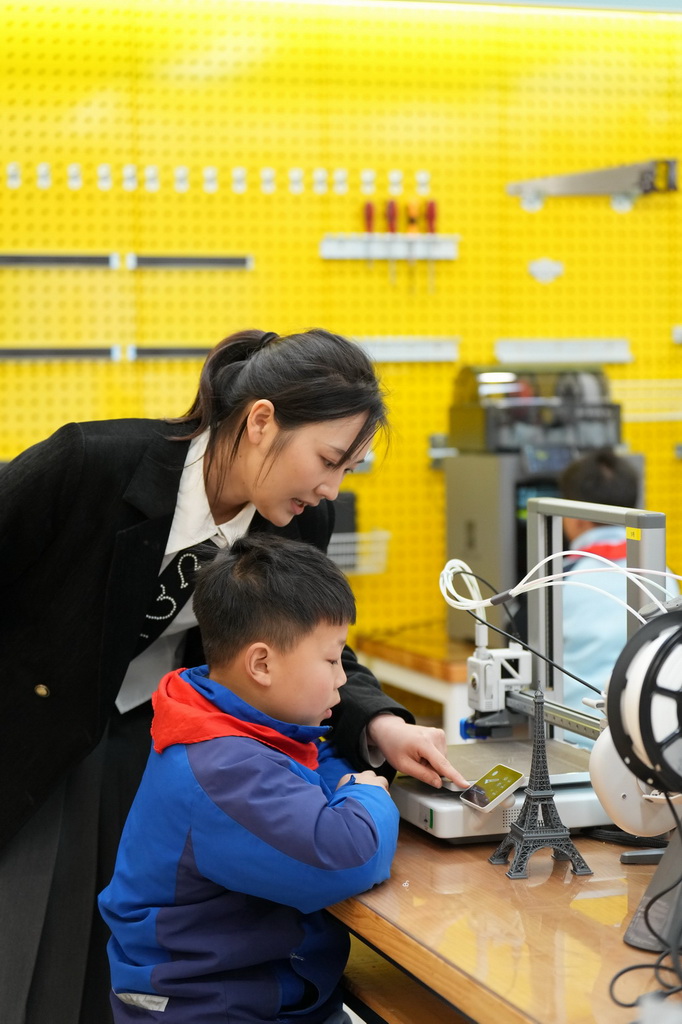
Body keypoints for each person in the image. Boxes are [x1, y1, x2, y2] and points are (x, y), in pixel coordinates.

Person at [0, 327, 468, 1024]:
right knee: (34, 960)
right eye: (329, 459)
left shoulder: (299, 521)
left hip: (159, 745)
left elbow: (312, 646)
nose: (331, 487)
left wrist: (382, 721)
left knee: (130, 968)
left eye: (349, 470)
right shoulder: (90, 465)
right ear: (259, 421)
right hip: (33, 741)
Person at [99, 534, 400, 1024]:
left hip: (265, 986)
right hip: (211, 1008)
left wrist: (350, 785)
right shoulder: (221, 767)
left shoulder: (227, 716)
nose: (342, 679)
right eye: (331, 660)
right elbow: (346, 855)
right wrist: (368, 795)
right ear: (261, 663)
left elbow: (314, 765)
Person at [558, 447, 678, 746]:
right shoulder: (663, 576)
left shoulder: (557, 578)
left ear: (575, 517)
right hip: (653, 745)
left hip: (575, 744)